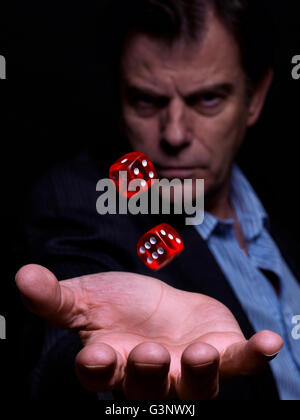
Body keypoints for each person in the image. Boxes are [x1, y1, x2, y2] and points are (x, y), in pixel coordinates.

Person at [15, 0, 300, 400]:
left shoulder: (278, 189)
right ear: (120, 100)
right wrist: (99, 367)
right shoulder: (76, 201)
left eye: (207, 100)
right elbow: (59, 353)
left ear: (255, 98)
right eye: (147, 101)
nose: (175, 134)